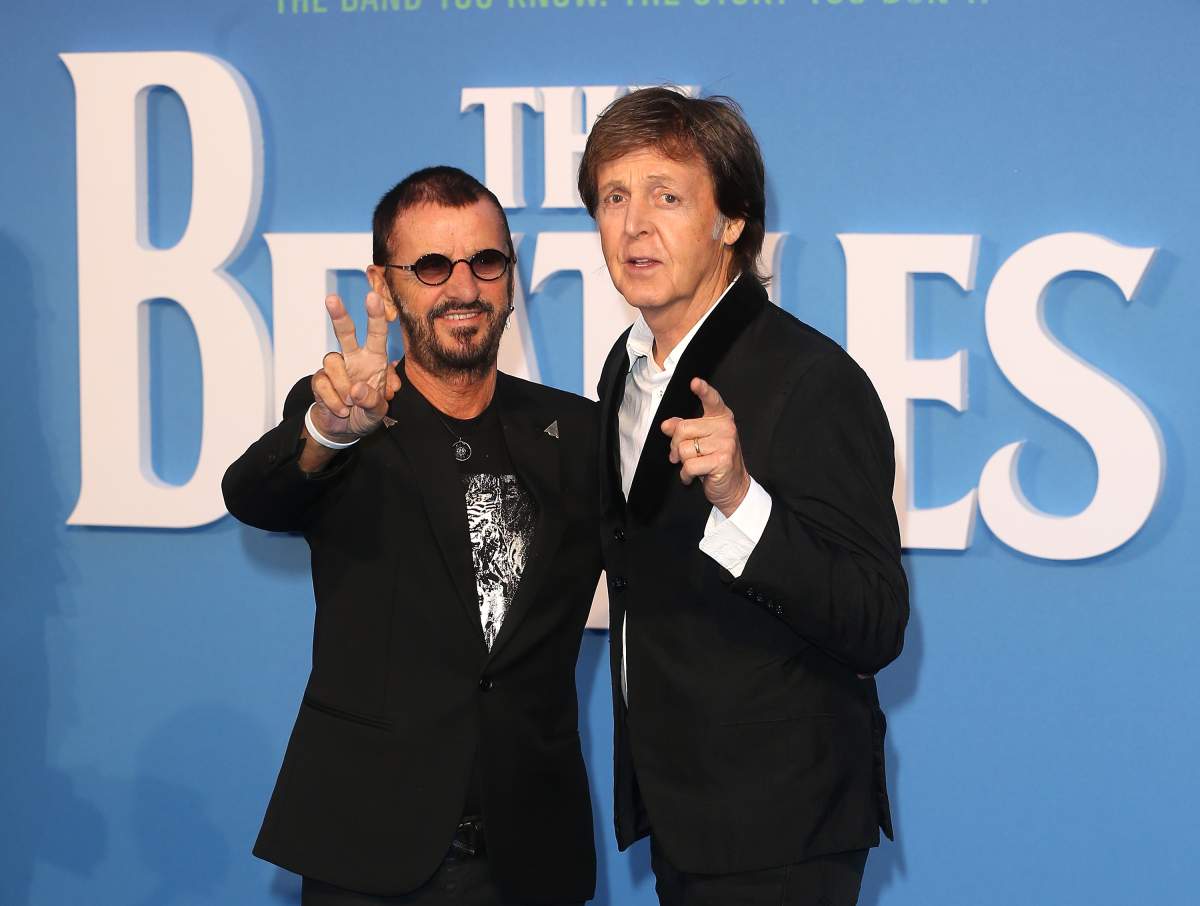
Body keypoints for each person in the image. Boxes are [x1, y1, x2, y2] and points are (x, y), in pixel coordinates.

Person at [223, 166, 600, 905]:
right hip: (371, 851)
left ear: (510, 276)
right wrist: (325, 436)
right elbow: (254, 495)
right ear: (385, 284)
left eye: (485, 262)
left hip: (529, 856)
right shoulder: (346, 415)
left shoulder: (577, 432)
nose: (463, 288)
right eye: (431, 266)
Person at [577, 88, 910, 905]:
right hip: (685, 814)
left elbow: (873, 620)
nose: (633, 225)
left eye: (667, 195)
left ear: (732, 222)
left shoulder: (812, 380)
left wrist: (740, 498)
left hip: (781, 826)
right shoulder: (625, 370)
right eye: (614, 197)